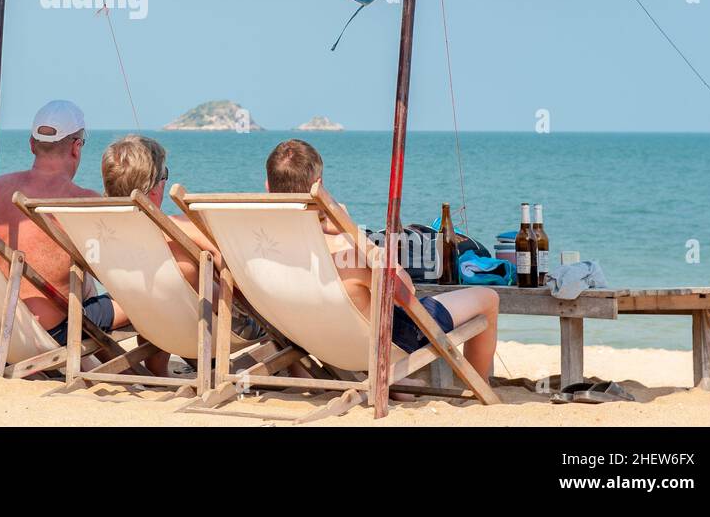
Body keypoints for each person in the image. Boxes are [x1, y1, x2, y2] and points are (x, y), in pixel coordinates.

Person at [264, 139, 499, 384]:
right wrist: (350, 229)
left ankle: (398, 384)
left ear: (268, 186)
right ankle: (477, 387)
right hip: (384, 342)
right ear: (319, 185)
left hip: (312, 341)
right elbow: (405, 290)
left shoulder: (262, 250)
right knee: (489, 299)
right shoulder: (344, 252)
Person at [0, 100, 125, 342]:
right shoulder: (83, 201)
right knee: (150, 296)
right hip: (51, 332)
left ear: (32, 145)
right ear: (76, 147)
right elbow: (119, 272)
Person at [99, 133, 225, 375]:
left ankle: (158, 367)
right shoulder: (178, 228)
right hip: (196, 319)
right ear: (155, 188)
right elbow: (225, 261)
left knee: (169, 283)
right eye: (164, 175)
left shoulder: (100, 229)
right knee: (196, 271)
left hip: (141, 311)